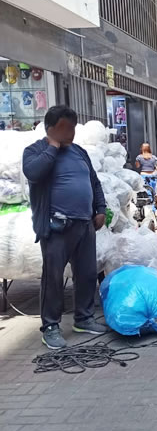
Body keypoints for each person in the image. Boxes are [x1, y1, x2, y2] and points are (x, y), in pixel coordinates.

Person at [22, 105, 107, 349]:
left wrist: (100, 209)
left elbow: (94, 182)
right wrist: (53, 146)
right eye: (64, 128)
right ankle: (50, 327)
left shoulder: (79, 152)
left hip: (84, 224)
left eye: (72, 127)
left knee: (88, 274)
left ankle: (83, 318)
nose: (70, 132)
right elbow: (33, 173)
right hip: (55, 227)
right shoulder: (35, 151)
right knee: (53, 278)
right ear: (51, 128)